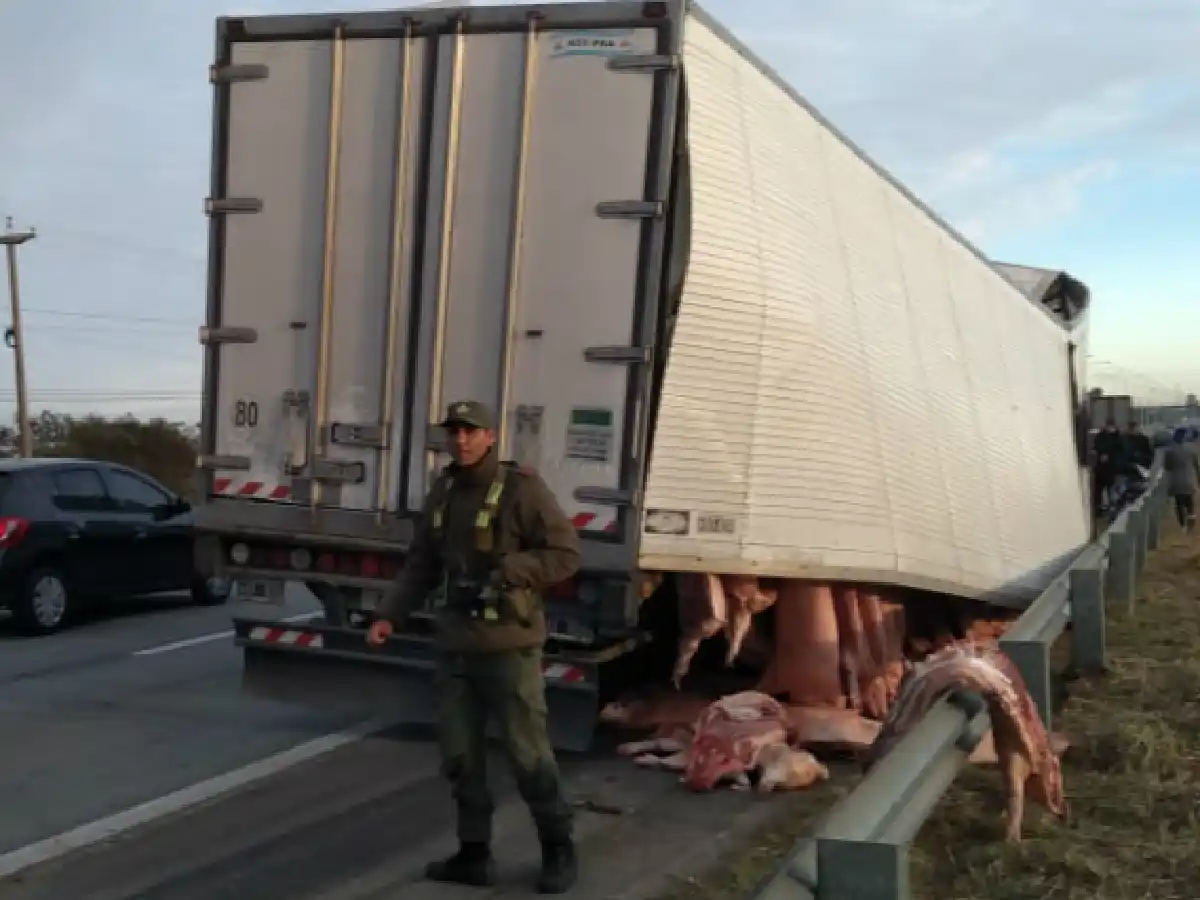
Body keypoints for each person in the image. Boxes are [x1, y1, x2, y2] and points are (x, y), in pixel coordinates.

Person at [367, 400, 582, 893]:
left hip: (508, 646)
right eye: (454, 431)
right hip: (456, 646)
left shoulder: (521, 489)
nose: (461, 440)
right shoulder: (443, 491)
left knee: (529, 757)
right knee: (461, 757)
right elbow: (421, 563)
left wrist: (515, 571)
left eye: (471, 431)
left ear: (490, 436)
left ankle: (558, 849)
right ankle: (473, 854)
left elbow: (566, 554)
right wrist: (388, 615)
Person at [1163, 427, 1200, 531]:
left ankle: (1183, 525)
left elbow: (1167, 467)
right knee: (1189, 501)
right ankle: (1191, 516)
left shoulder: (1169, 451)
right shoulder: (1191, 450)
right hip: (1188, 480)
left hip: (1175, 482)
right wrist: (1198, 480)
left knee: (1179, 503)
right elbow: (1196, 467)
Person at [1091, 419, 1126, 516]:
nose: (1110, 428)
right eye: (1109, 426)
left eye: (1111, 427)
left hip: (1112, 469)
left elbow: (1121, 448)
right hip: (1101, 470)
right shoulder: (1101, 436)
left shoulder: (1118, 437)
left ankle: (1113, 511)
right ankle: (1099, 510)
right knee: (1099, 492)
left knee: (1112, 492)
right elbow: (1096, 447)